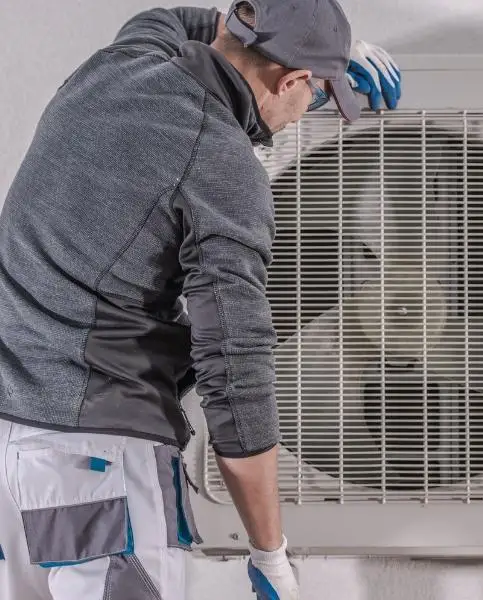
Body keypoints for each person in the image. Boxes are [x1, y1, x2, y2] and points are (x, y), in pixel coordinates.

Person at [0, 1, 401, 599]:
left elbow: (174, 19)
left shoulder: (120, 61)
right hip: (98, 462)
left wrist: (315, 45)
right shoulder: (220, 162)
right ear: (290, 80)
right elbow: (235, 374)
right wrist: (270, 553)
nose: (304, 114)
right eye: (315, 96)